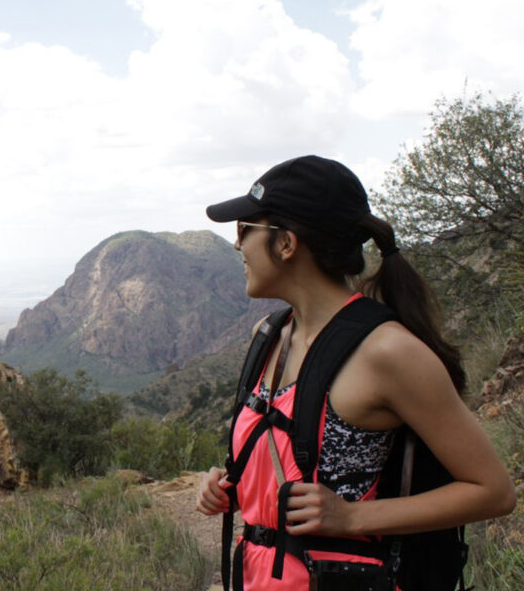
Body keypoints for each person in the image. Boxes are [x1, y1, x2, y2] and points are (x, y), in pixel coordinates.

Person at [196, 155, 516, 591]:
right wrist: (233, 486)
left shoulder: (386, 352)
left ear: (286, 243)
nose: (238, 246)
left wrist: (352, 516)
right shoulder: (269, 336)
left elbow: (493, 491)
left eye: (245, 230)